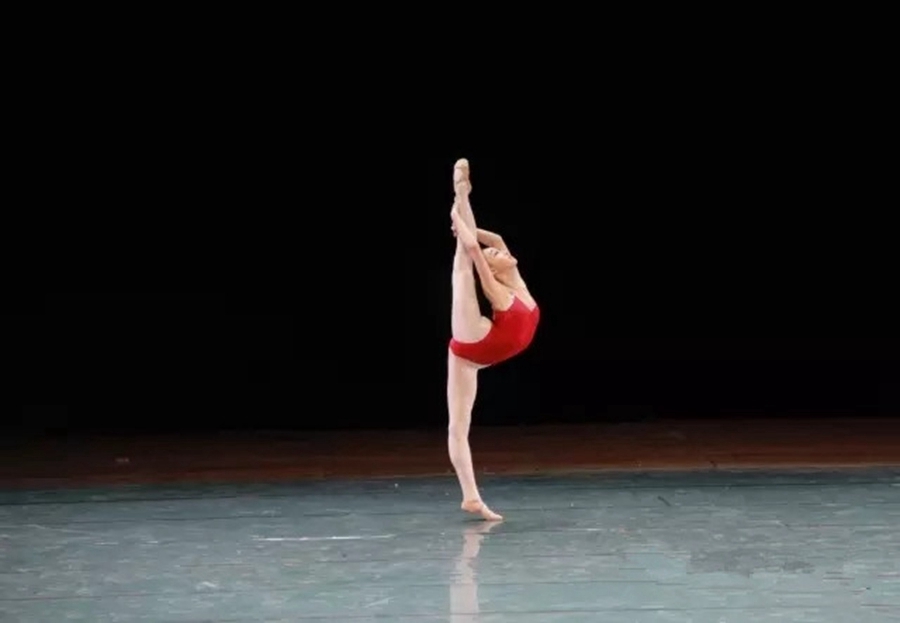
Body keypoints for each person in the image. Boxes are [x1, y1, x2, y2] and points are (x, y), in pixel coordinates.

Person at [447, 158, 540, 521]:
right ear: (495, 269)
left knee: (459, 426)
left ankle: (470, 498)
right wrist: (459, 219)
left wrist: (476, 232)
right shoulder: (500, 293)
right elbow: (474, 251)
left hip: (483, 355)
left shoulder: (518, 281)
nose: (502, 251)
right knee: (462, 267)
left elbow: (494, 240)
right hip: (476, 344)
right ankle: (460, 192)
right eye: (496, 256)